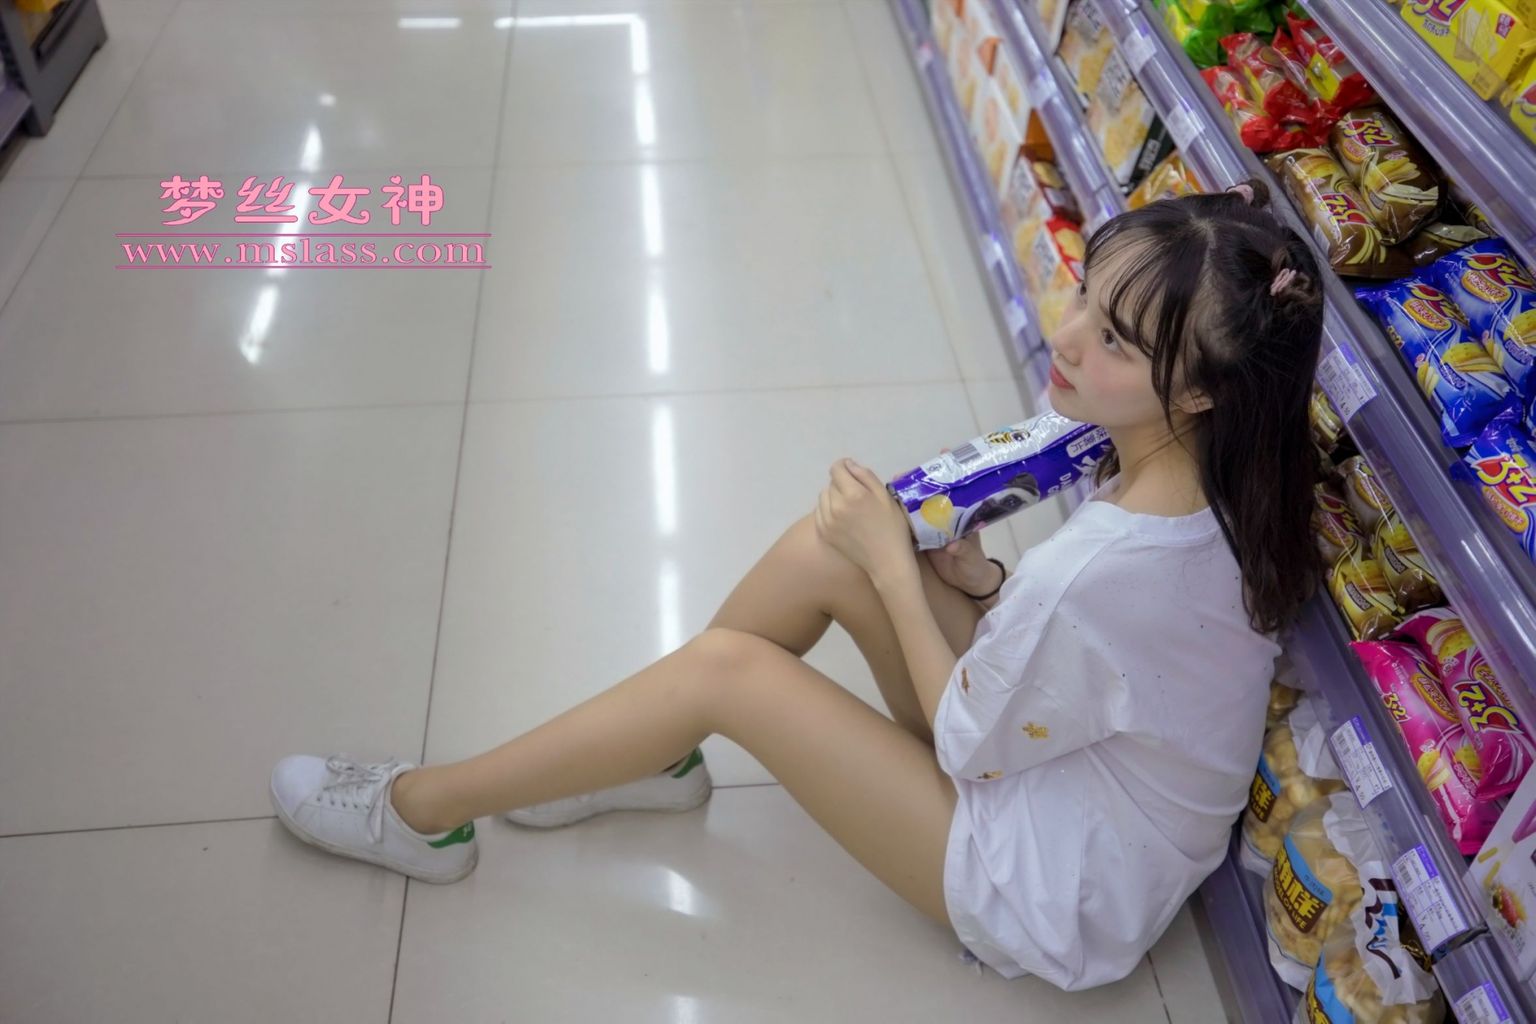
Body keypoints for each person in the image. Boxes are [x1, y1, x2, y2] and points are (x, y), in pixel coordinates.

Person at [267, 179, 1326, 990]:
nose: (1068, 337)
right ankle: (657, 754)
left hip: (1057, 886)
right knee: (826, 551)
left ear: (1198, 391)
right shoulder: (1216, 478)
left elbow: (974, 734)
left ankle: (423, 810)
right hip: (1072, 775)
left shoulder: (1099, 565)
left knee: (733, 668)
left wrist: (898, 571)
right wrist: (973, 586)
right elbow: (1099, 667)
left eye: (1114, 341)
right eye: (1087, 298)